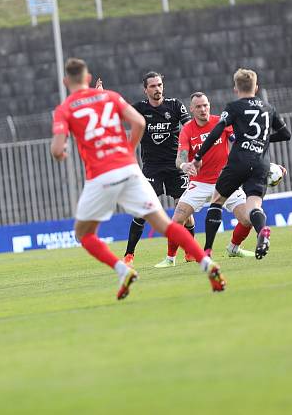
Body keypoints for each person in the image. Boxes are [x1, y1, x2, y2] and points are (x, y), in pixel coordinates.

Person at [51, 58, 226, 299]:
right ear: (88, 78)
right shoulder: (110, 97)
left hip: (100, 176)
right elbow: (139, 122)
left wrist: (61, 153)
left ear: (65, 81)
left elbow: (57, 149)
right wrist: (127, 149)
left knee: (84, 234)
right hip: (130, 168)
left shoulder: (65, 109)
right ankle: (207, 264)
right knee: (164, 223)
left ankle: (123, 269)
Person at [191, 69, 291, 260]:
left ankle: (207, 251)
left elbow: (217, 131)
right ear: (256, 87)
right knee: (253, 206)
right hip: (261, 162)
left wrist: (198, 156)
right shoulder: (268, 108)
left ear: (236, 88)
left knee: (217, 201)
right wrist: (262, 141)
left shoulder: (234, 107)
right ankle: (262, 231)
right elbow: (286, 135)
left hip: (238, 161)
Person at [98, 73, 194, 267]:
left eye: (159, 85)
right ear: (145, 90)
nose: (157, 89)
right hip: (152, 168)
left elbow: (190, 127)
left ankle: (190, 251)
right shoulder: (140, 109)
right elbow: (116, 112)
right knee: (142, 211)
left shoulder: (175, 106)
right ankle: (129, 255)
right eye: (153, 86)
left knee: (184, 212)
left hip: (176, 166)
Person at [154, 92, 255, 268]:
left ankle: (234, 248)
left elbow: (240, 142)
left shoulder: (221, 123)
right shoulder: (187, 130)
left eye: (205, 105)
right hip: (199, 183)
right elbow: (180, 158)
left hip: (226, 181)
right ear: (192, 109)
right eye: (198, 106)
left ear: (209, 105)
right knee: (177, 221)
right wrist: (184, 166)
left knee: (248, 219)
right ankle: (170, 258)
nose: (203, 109)